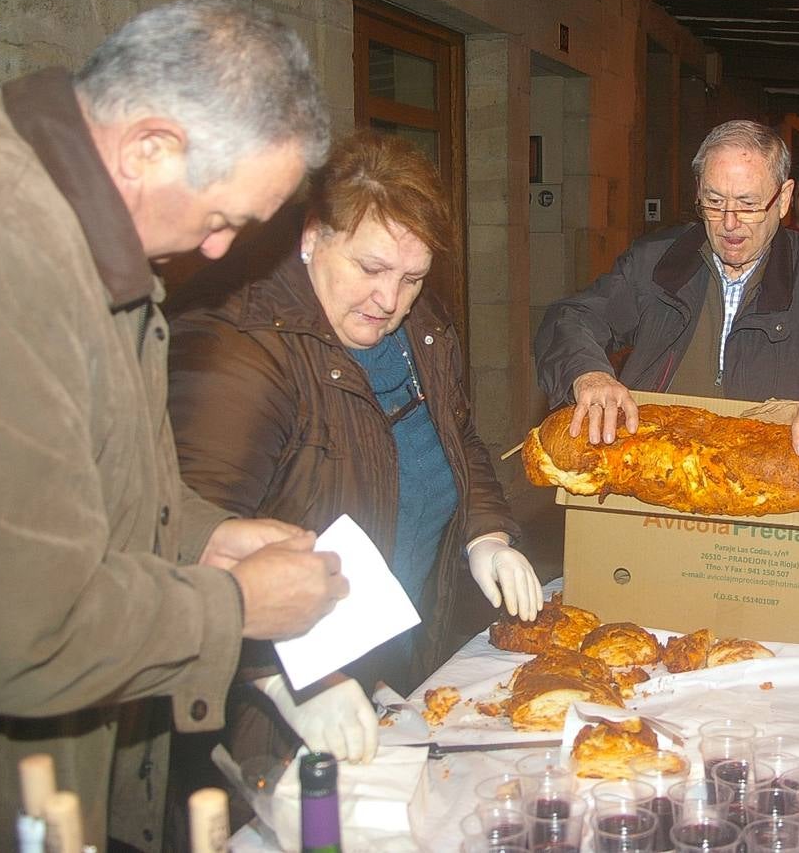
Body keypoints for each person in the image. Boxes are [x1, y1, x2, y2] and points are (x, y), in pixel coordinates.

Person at [0, 0, 344, 850]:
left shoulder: (81, 228)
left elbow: (78, 482)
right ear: (148, 147)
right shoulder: (10, 256)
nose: (216, 252)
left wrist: (201, 538)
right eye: (223, 219)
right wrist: (232, 608)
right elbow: (23, 628)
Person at [167, 132, 542, 779]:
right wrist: (284, 677)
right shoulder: (238, 349)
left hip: (401, 665)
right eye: (370, 269)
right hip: (276, 715)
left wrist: (487, 532)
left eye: (412, 278)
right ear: (313, 236)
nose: (389, 301)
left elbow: (458, 437)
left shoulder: (423, 328)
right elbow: (182, 547)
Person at [534, 119, 799, 471]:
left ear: (782, 199)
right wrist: (588, 373)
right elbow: (570, 317)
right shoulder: (656, 263)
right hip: (657, 479)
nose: (729, 223)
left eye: (748, 205)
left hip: (772, 489)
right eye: (714, 202)